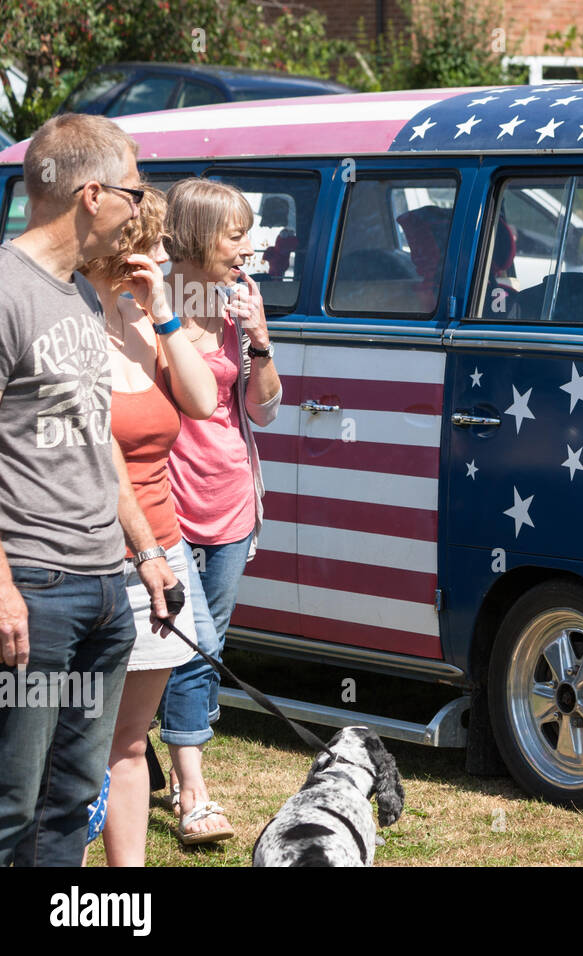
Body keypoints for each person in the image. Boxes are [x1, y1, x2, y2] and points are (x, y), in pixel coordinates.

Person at [0, 114, 172, 867]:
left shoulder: (77, 295)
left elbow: (94, 437)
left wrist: (144, 550)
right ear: (93, 193)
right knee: (12, 801)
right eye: (134, 192)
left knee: (72, 800)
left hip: (105, 589)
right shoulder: (7, 290)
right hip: (34, 593)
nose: (141, 211)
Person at [80, 184, 217, 865]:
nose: (166, 256)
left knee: (129, 743)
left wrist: (163, 312)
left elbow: (201, 400)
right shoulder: (69, 324)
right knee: (72, 741)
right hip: (93, 556)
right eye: (156, 244)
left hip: (162, 553)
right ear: (124, 251)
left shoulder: (143, 321)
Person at [157, 178, 281, 844]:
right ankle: (194, 793)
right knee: (193, 644)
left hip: (231, 501)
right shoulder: (148, 307)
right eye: (236, 234)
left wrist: (259, 340)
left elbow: (264, 407)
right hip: (167, 503)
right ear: (200, 236)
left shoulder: (241, 304)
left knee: (207, 645)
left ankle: (163, 752)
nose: (249, 246)